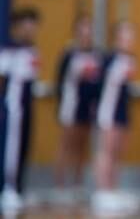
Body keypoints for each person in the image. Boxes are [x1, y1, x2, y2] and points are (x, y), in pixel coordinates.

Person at [91, 20, 140, 216]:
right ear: (116, 38)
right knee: (107, 151)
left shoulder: (130, 59)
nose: (129, 40)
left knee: (118, 152)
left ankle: (113, 188)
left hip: (122, 111)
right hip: (108, 110)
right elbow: (98, 86)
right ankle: (102, 190)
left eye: (131, 36)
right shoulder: (108, 59)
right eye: (125, 36)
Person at [54, 13, 102, 202]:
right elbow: (59, 81)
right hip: (70, 105)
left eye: (89, 28)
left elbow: (98, 82)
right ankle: (60, 185)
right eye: (83, 27)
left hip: (87, 107)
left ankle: (78, 184)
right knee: (66, 144)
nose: (86, 32)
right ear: (76, 31)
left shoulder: (96, 54)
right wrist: (60, 105)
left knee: (83, 146)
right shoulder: (69, 54)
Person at [0, 8, 41, 213]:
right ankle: (7, 188)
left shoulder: (32, 50)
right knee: (11, 149)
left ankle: (19, 188)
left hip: (28, 106)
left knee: (24, 146)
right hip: (13, 107)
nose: (31, 30)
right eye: (27, 25)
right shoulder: (9, 49)